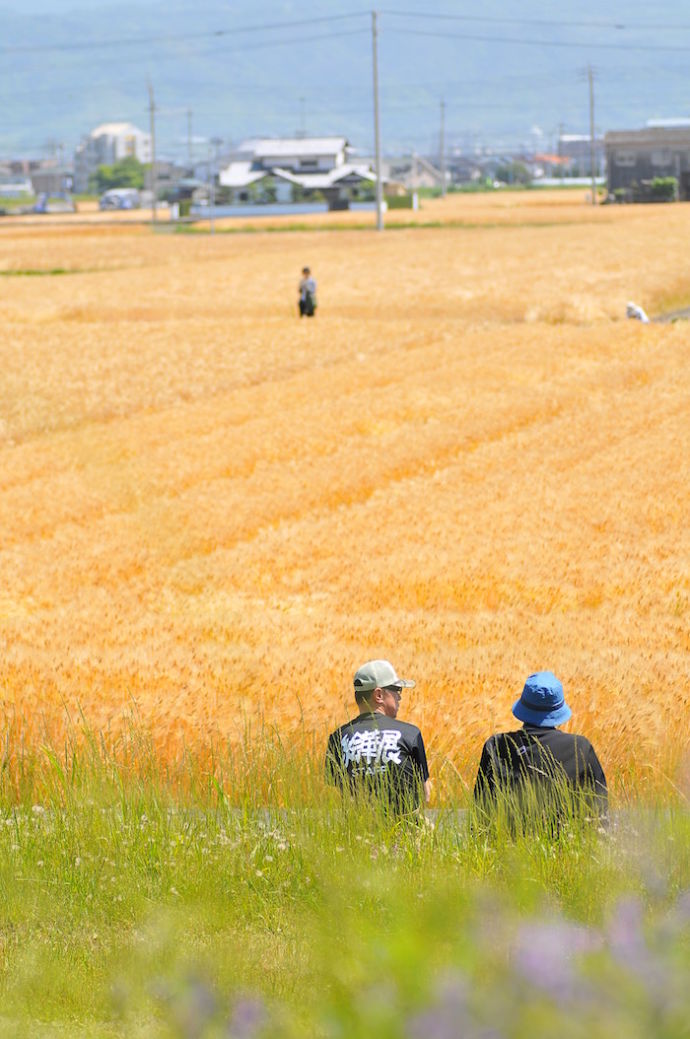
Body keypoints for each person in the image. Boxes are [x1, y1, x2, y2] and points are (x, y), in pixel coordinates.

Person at [473, 671, 607, 825]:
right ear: (558, 709)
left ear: (523, 706)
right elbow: (600, 813)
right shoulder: (580, 748)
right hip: (567, 842)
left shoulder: (497, 746)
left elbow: (480, 814)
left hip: (509, 844)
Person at [325, 659, 430, 814]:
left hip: (358, 833)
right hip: (405, 832)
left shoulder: (337, 738)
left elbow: (335, 795)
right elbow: (424, 794)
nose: (399, 698)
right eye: (397, 690)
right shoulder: (410, 734)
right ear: (379, 695)